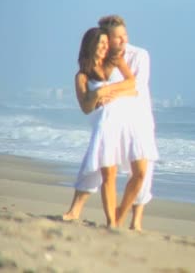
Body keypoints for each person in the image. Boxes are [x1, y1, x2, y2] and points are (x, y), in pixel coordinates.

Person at [63, 16, 158, 230]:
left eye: (125, 35)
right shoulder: (91, 70)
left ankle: (126, 217)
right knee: (103, 168)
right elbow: (87, 106)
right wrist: (99, 96)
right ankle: (102, 218)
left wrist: (106, 91)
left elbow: (135, 87)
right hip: (107, 121)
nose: (123, 40)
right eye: (116, 38)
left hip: (137, 119)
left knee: (143, 171)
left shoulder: (137, 56)